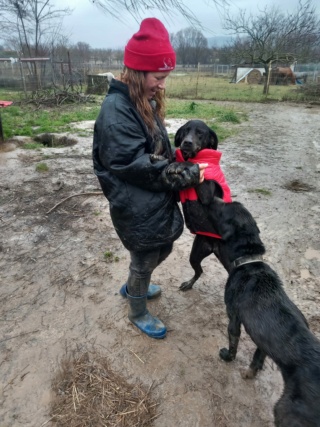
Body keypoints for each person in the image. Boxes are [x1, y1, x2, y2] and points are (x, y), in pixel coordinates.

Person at [92, 17, 207, 339]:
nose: (163, 84)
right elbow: (131, 161)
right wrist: (181, 173)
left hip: (151, 199)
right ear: (139, 72)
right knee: (144, 259)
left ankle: (135, 287)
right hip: (134, 201)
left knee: (163, 247)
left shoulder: (141, 101)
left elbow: (155, 148)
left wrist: (179, 161)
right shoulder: (117, 110)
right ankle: (137, 309)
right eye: (159, 76)